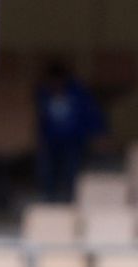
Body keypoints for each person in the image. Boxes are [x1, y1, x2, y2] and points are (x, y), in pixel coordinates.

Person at [35, 62, 104, 202]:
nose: (55, 85)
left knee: (72, 169)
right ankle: (49, 196)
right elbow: (39, 120)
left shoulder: (78, 94)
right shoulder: (43, 94)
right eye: (51, 82)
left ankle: (72, 198)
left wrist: (97, 134)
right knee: (47, 168)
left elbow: (91, 115)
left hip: (73, 141)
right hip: (51, 141)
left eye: (57, 82)